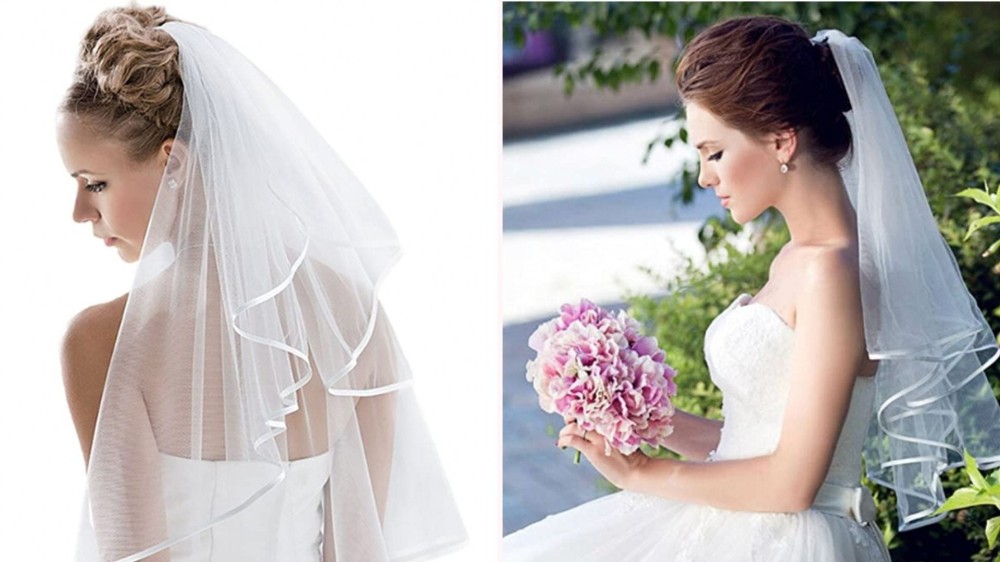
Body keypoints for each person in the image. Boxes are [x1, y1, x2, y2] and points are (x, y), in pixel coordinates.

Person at [503, 15, 1000, 561]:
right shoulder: (797, 259)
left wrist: (642, 472)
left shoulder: (829, 270)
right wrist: (638, 415)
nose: (704, 177)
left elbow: (792, 484)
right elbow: (750, 442)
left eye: (714, 152)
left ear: (782, 140)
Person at [56, 5, 466, 561]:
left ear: (172, 163)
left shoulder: (101, 342)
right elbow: (358, 549)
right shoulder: (350, 314)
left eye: (95, 183)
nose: (81, 212)